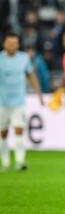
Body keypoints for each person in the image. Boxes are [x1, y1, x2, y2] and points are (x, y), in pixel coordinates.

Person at [0, 32, 44, 171]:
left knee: (19, 131)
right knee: (3, 134)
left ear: (18, 44)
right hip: (2, 103)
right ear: (4, 44)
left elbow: (31, 76)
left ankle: (20, 161)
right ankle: (5, 163)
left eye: (15, 43)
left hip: (19, 102)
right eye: (10, 43)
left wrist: (39, 95)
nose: (13, 46)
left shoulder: (24, 58)